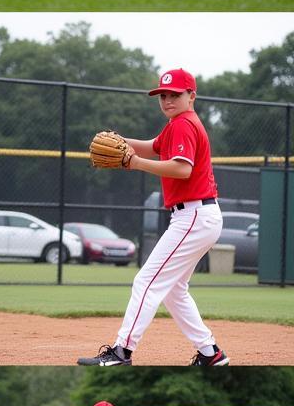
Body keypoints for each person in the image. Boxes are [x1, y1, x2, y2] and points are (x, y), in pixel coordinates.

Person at [78, 68, 227, 367]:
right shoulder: (176, 125)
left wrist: (133, 163)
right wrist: (122, 142)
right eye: (163, 95)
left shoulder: (184, 124)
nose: (168, 100)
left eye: (176, 94)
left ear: (192, 96)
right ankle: (211, 353)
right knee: (173, 289)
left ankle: (122, 351)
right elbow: (153, 146)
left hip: (194, 216)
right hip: (198, 216)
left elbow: (181, 168)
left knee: (146, 281)